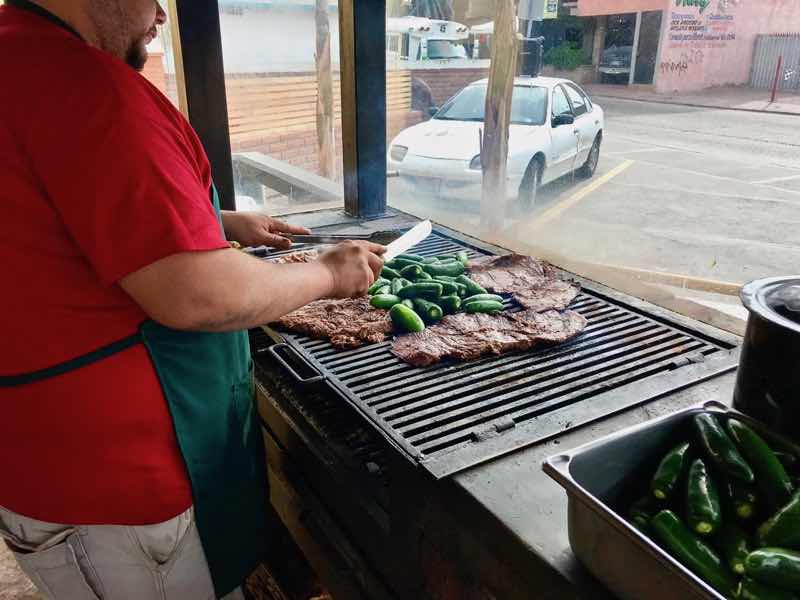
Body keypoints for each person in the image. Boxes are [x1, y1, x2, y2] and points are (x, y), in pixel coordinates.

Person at [0, 1, 385, 598]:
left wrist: (212, 221)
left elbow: (54, 218)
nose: (158, 13)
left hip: (41, 465)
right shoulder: (84, 84)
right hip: (114, 485)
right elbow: (200, 296)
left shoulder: (16, 56)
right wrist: (329, 274)